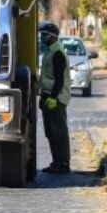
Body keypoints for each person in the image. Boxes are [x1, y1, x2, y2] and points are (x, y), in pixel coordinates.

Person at [38, 21, 72, 174]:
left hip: (56, 99)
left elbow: (60, 79)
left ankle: (63, 163)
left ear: (53, 37)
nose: (42, 38)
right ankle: (56, 162)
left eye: (44, 35)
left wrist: (53, 97)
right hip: (48, 97)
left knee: (59, 132)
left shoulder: (58, 53)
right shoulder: (49, 52)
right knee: (51, 132)